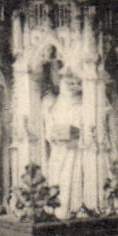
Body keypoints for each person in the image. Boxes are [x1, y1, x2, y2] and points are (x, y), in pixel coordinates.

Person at [43, 71, 89, 216]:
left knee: (70, 179)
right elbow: (49, 128)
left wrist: (69, 131)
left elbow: (84, 129)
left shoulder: (83, 105)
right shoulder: (56, 104)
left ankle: (71, 208)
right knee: (56, 177)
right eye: (70, 83)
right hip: (58, 150)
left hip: (74, 151)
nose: (74, 87)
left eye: (78, 83)